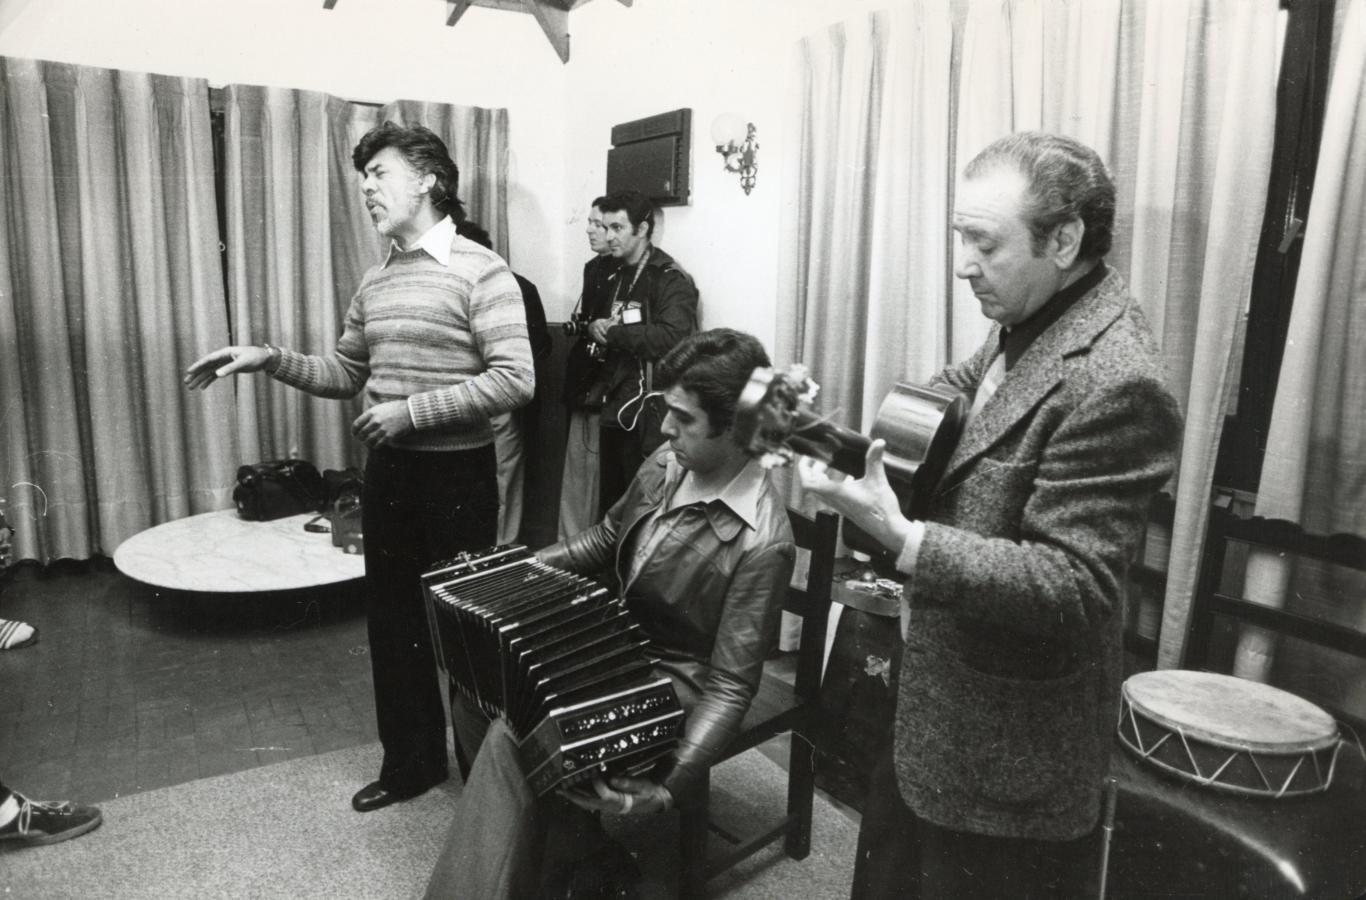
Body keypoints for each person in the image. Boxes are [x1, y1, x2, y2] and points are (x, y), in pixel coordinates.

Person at [798, 132, 1183, 898]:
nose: (961, 263)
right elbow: (955, 401)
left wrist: (904, 538)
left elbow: (1076, 586)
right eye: (958, 236)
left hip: (1009, 765)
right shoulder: (1032, 313)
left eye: (983, 241)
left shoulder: (1118, 382)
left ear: (1064, 239)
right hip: (934, 721)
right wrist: (819, 430)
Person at [184, 122, 534, 813]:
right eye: (364, 178)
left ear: (430, 179)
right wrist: (268, 357)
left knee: (462, 630)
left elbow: (517, 379)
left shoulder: (481, 270)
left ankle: (490, 778)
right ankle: (411, 767)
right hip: (390, 479)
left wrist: (414, 412)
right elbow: (347, 372)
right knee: (392, 624)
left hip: (459, 477)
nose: (367, 189)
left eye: (380, 173)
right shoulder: (376, 279)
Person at [424, 329, 795, 900]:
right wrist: (509, 573)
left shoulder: (764, 542)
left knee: (516, 731)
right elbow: (603, 540)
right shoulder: (666, 463)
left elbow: (728, 685)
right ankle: (578, 849)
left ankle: (525, 872)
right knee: (481, 684)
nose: (665, 429)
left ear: (739, 429)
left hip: (678, 679)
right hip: (620, 645)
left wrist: (669, 788)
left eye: (683, 418)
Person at [584, 190, 698, 514]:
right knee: (610, 505)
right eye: (605, 228)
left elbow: (672, 336)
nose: (609, 236)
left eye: (617, 228)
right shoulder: (613, 274)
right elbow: (605, 322)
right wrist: (596, 327)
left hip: (649, 414)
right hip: (614, 406)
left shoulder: (669, 277)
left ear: (643, 229)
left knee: (641, 509)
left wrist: (615, 334)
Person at [455, 219, 552, 545]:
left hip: (498, 403)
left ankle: (499, 554)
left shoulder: (519, 288)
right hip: (459, 403)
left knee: (502, 480)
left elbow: (538, 350)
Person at [556, 198, 617, 539]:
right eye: (590, 221)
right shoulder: (593, 268)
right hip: (583, 383)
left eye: (599, 223)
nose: (590, 229)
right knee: (576, 475)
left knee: (596, 480)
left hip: (608, 392)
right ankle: (568, 545)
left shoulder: (629, 273)